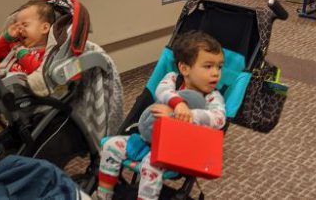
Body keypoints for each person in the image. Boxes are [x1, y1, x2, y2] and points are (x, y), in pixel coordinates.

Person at [95, 31, 226, 200]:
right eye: (208, 66)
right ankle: (103, 195)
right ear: (184, 68)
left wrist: (186, 115)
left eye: (219, 67)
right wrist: (177, 104)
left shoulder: (212, 97)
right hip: (146, 139)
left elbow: (219, 118)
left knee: (150, 167)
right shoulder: (172, 79)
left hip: (177, 151)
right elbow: (162, 91)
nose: (216, 73)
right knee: (111, 145)